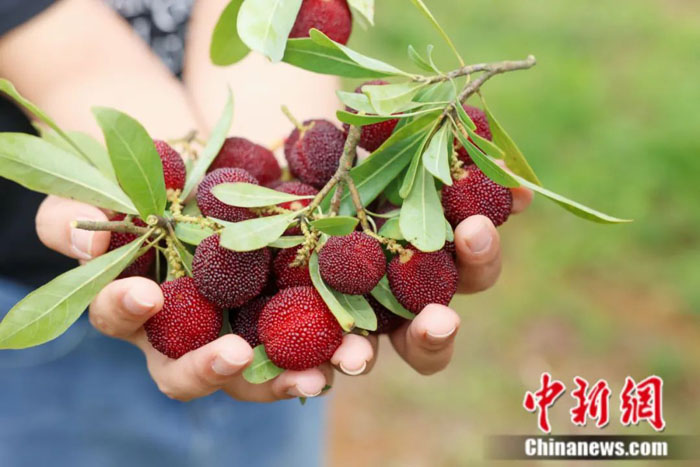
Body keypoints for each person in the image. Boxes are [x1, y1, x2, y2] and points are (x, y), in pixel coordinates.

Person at [0, 0, 533, 465]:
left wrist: (283, 84)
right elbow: (67, 55)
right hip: (50, 325)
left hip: (263, 367)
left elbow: (273, 32)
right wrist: (134, 168)